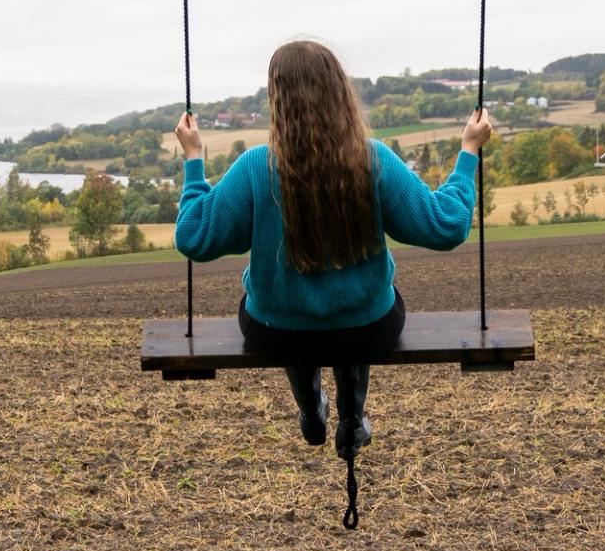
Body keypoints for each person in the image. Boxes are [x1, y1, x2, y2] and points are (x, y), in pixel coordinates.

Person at [170, 38, 493, 461]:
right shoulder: (371, 160)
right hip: (367, 327)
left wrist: (193, 160)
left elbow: (194, 236)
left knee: (296, 329)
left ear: (276, 100)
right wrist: (468, 152)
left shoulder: (254, 167)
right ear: (340, 93)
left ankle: (310, 408)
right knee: (353, 323)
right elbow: (446, 225)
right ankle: (352, 418)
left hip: (275, 332)